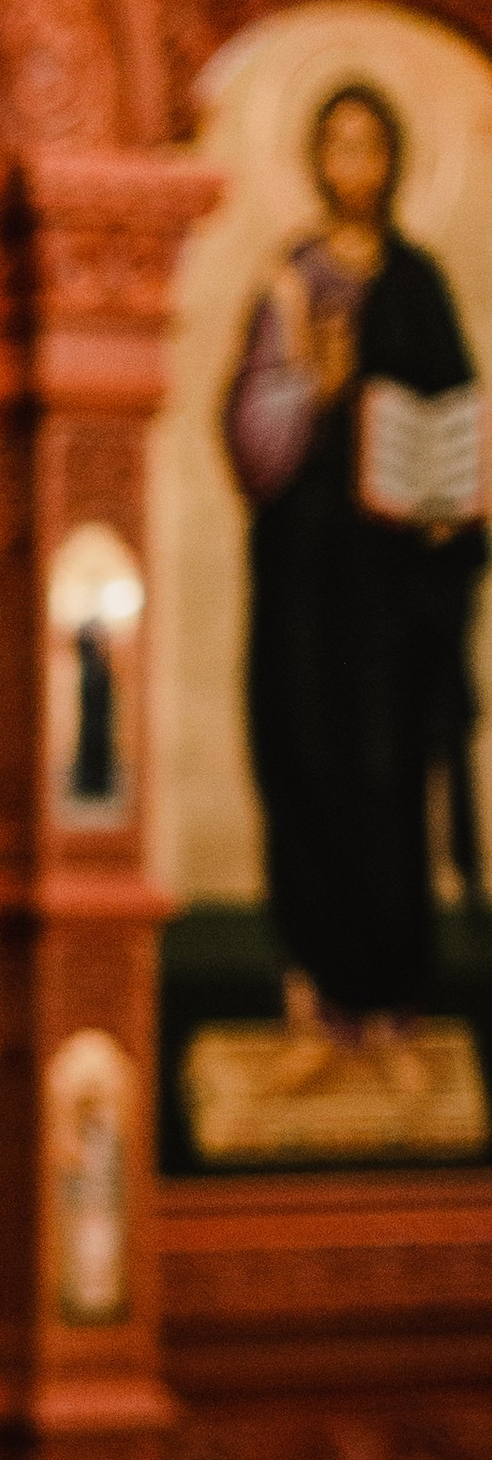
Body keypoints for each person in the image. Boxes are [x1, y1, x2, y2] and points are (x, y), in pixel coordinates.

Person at [224, 80, 485, 1030]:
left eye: (371, 147)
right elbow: (251, 438)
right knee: (306, 757)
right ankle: (314, 991)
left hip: (393, 593)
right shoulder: (291, 283)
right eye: (338, 147)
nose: (355, 168)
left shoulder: (419, 285)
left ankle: (393, 999)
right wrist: (313, 389)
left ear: (395, 161)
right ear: (316, 161)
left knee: (387, 776)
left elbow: (454, 418)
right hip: (305, 576)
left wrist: (450, 506)